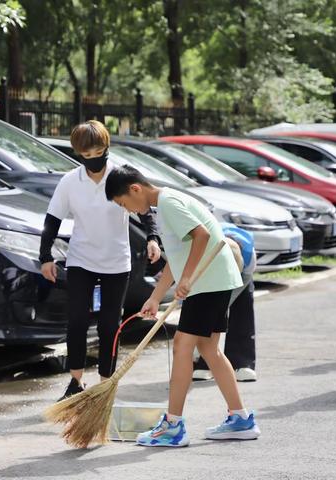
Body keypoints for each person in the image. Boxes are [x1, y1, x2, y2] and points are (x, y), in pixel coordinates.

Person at [105, 164, 261, 447]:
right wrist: (155, 297)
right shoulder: (164, 206)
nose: (126, 209)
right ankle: (241, 418)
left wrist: (188, 278)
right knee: (209, 349)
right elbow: (178, 258)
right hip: (215, 281)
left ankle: (173, 426)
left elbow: (201, 235)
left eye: (123, 203)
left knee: (182, 346)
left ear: (135, 189)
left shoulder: (169, 204)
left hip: (208, 283)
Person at [39, 120, 161, 401]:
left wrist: (153, 238)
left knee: (109, 324)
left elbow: (144, 208)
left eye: (99, 153)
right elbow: (52, 219)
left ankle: (105, 383)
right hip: (81, 258)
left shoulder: (121, 175)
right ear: (79, 154)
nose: (94, 161)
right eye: (87, 156)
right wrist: (45, 256)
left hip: (116, 261)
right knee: (78, 320)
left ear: (107, 147)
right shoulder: (70, 181)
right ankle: (75, 381)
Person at [193, 223, 257, 382]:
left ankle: (242, 363)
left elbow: (231, 295)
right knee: (201, 308)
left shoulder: (248, 258)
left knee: (242, 309)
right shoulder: (202, 250)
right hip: (209, 271)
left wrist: (218, 309)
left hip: (242, 278)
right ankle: (203, 363)